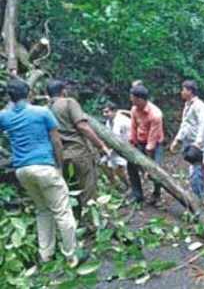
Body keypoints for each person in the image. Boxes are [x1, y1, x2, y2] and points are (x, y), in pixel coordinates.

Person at [0, 79, 78, 267]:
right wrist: (59, 166)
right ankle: (71, 256)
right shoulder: (42, 112)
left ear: (9, 97)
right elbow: (57, 142)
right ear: (29, 94)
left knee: (43, 210)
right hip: (44, 166)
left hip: (22, 170)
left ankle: (46, 255)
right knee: (62, 212)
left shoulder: (3, 116)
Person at [47, 80, 111, 219]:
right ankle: (92, 223)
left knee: (70, 190)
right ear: (63, 90)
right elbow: (83, 127)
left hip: (60, 156)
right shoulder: (68, 102)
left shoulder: (46, 109)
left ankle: (74, 221)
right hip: (78, 152)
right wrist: (101, 145)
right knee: (88, 189)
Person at [170, 80, 204, 199]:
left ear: (190, 91)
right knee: (193, 169)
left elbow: (203, 124)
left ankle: (201, 197)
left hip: (197, 144)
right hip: (188, 142)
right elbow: (185, 124)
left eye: (183, 90)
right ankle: (200, 194)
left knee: (197, 170)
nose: (181, 92)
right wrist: (177, 140)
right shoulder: (187, 105)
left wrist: (198, 142)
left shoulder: (200, 106)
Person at [128, 85, 164, 206]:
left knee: (155, 170)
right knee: (131, 165)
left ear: (140, 99)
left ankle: (157, 194)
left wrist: (148, 160)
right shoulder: (134, 109)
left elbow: (152, 141)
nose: (131, 100)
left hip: (155, 144)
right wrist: (132, 143)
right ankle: (137, 195)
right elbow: (133, 127)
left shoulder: (155, 115)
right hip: (140, 141)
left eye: (132, 98)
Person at [102, 102, 131, 190]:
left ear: (114, 111)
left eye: (107, 112)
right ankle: (118, 185)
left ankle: (129, 186)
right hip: (117, 147)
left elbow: (115, 138)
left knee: (119, 168)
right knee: (103, 163)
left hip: (126, 146)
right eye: (104, 112)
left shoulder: (120, 121)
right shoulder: (109, 121)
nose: (104, 114)